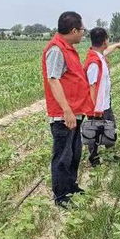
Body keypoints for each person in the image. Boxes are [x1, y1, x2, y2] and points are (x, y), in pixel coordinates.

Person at [42, 11, 93, 209]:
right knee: (62, 155)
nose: (83, 33)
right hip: (64, 114)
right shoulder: (56, 50)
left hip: (75, 111)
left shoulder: (68, 48)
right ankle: (61, 195)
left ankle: (71, 186)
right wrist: (66, 110)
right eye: (82, 30)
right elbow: (53, 80)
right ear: (73, 30)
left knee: (74, 152)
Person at [83, 27, 120, 167]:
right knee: (94, 132)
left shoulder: (98, 55)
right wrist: (94, 111)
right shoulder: (94, 62)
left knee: (110, 129)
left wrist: (116, 46)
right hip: (98, 107)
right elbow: (91, 86)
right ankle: (93, 159)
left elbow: (105, 51)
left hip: (105, 103)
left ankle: (110, 154)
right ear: (105, 40)